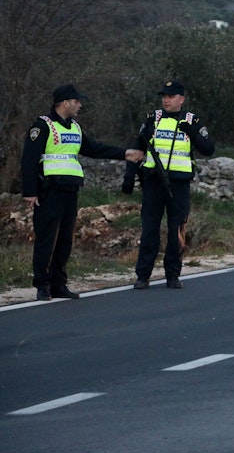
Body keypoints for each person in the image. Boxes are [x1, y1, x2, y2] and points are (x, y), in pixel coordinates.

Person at [21, 84, 144, 301]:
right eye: (77, 101)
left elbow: (94, 149)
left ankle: (59, 284)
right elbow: (29, 160)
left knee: (65, 240)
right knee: (46, 240)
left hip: (70, 190)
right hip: (48, 191)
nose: (80, 105)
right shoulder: (43, 126)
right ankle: (42, 285)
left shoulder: (75, 128)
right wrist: (30, 192)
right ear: (65, 102)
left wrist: (124, 153)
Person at [123, 80, 215, 290]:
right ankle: (143, 276)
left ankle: (173, 275)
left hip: (179, 185)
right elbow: (137, 147)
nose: (166, 100)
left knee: (177, 231)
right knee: (149, 230)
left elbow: (209, 149)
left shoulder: (192, 121)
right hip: (153, 183)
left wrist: (191, 132)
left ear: (181, 99)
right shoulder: (152, 119)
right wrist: (129, 177)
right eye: (164, 96)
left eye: (171, 96)